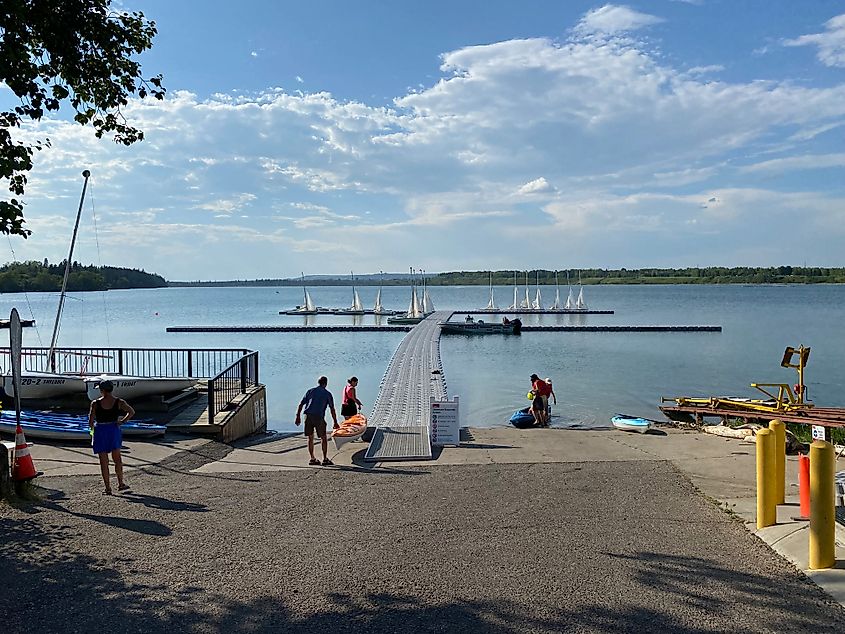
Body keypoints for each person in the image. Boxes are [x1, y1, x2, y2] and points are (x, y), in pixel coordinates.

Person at [88, 379, 135, 495]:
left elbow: (91, 420)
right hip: (113, 430)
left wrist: (92, 431)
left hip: (100, 430)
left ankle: (108, 488)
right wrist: (122, 421)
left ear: (102, 390)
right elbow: (131, 412)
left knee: (104, 462)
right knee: (117, 459)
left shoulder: (95, 403)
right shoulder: (119, 402)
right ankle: (120, 483)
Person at [295, 376, 339, 466]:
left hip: (307, 416)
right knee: (323, 438)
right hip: (318, 416)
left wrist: (298, 416)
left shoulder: (310, 391)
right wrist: (335, 422)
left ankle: (312, 458)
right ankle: (325, 459)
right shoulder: (327, 394)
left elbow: (301, 404)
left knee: (310, 438)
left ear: (318, 382)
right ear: (326, 383)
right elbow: (332, 409)